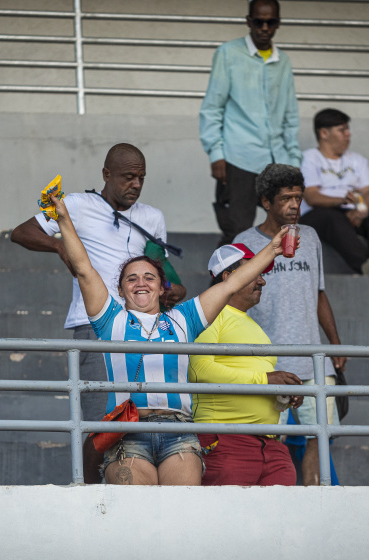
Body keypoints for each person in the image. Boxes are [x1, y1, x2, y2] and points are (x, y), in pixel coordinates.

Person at [49, 190, 287, 486]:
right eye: (131, 278)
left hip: (179, 432)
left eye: (149, 277)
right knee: (136, 510)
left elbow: (231, 284)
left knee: (181, 513)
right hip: (129, 432)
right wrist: (64, 221)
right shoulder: (111, 320)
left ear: (163, 288)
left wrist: (272, 250)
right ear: (120, 291)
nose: (140, 282)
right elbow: (84, 270)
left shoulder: (183, 319)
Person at [10, 144, 186, 482]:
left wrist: (173, 289)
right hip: (95, 326)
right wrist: (59, 243)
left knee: (139, 420)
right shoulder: (76, 204)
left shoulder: (153, 217)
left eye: (141, 178)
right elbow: (21, 233)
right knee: (98, 424)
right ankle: (88, 497)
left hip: (144, 327)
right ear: (107, 175)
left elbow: (160, 268)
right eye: (128, 177)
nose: (136, 184)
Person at [234, 163, 346, 486]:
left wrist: (335, 344)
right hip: (266, 364)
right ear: (266, 203)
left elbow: (319, 294)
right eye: (285, 199)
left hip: (314, 359)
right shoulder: (243, 243)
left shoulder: (310, 238)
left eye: (298, 198)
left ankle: (313, 501)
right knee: (270, 441)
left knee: (319, 436)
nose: (294, 205)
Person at [189, 243, 303, 486]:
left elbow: (257, 379)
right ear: (229, 277)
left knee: (284, 516)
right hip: (225, 439)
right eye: (255, 273)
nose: (262, 282)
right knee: (226, 520)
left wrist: (284, 393)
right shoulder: (207, 315)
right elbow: (199, 370)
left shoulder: (254, 325)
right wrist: (266, 380)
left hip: (271, 444)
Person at [199, 0, 301, 247]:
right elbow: (212, 108)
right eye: (258, 21)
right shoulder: (228, 54)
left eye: (271, 22)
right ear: (248, 22)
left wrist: (294, 161)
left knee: (284, 233)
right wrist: (216, 153)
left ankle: (270, 286)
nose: (264, 28)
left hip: (277, 161)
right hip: (238, 158)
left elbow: (290, 115)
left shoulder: (283, 61)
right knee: (237, 233)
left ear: (278, 23)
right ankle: (224, 285)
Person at [299, 108, 369, 276]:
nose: (348, 134)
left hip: (350, 212)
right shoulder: (308, 158)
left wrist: (361, 211)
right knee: (333, 218)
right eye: (342, 130)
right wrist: (341, 201)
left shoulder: (357, 160)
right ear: (324, 133)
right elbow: (311, 197)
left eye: (348, 129)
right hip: (317, 215)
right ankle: (364, 265)